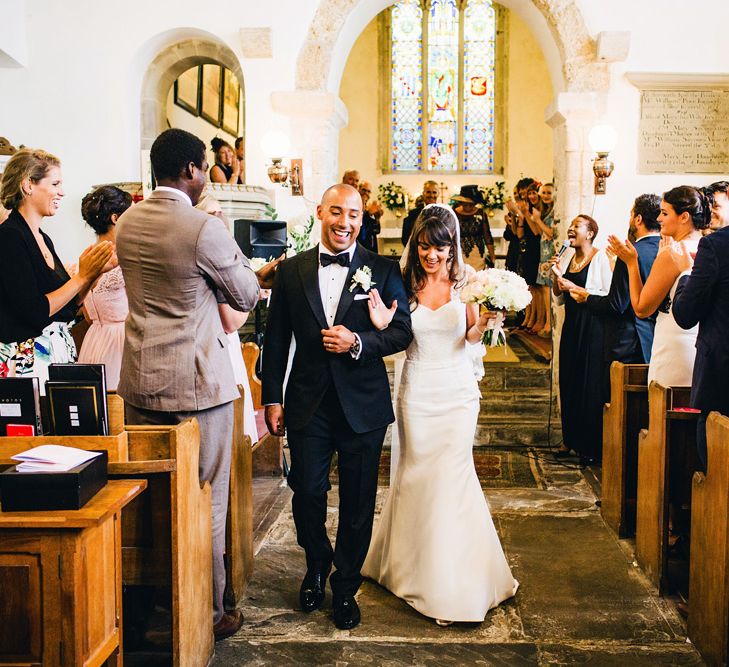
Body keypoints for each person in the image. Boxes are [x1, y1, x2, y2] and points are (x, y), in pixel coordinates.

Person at [115, 128, 261, 641]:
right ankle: (210, 611)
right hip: (199, 388)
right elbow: (245, 294)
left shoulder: (127, 223)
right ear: (191, 171)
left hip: (138, 382)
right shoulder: (202, 226)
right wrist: (229, 241)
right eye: (202, 169)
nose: (204, 177)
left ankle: (155, 602)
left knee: (154, 499)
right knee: (207, 499)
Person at [261, 183, 412, 630]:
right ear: (321, 213)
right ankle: (316, 565)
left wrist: (359, 341)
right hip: (307, 404)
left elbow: (401, 332)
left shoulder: (382, 270)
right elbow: (276, 341)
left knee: (358, 501)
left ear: (362, 219)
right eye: (336, 212)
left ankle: (345, 587)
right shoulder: (293, 271)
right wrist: (273, 397)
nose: (344, 222)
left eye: (353, 214)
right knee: (307, 492)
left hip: (362, 406)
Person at [362, 204, 518, 625]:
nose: (432, 256)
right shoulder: (404, 283)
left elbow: (468, 336)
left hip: (456, 394)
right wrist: (379, 324)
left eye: (440, 248)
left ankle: (454, 582)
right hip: (417, 393)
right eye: (426, 247)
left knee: (453, 476)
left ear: (453, 248)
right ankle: (410, 568)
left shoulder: (466, 283)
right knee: (416, 477)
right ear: (417, 246)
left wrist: (484, 321)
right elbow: (396, 337)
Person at [0, 148, 113, 388]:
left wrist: (95, 273)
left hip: (54, 358)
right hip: (25, 367)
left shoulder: (43, 238)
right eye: (55, 183)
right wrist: (81, 277)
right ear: (28, 185)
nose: (62, 192)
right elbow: (34, 311)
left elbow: (66, 310)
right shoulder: (9, 237)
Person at [608, 186, 709, 388]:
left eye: (664, 213)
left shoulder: (671, 254)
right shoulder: (709, 248)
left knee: (662, 410)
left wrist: (631, 263)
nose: (659, 218)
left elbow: (642, 308)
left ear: (684, 217)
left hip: (673, 346)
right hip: (699, 343)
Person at [570, 194, 661, 399]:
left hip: (627, 343)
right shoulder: (668, 251)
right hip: (654, 339)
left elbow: (616, 304)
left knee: (619, 405)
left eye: (631, 214)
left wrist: (587, 298)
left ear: (638, 219)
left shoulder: (630, 253)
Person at [669, 192, 726, 471]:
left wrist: (685, 274)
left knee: (715, 469)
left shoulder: (716, 246)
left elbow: (685, 314)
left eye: (717, 204)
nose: (711, 211)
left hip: (721, 378)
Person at [551, 214, 612, 465]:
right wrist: (556, 276)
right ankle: (570, 438)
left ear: (589, 233)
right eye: (571, 225)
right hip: (573, 325)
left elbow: (606, 294)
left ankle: (588, 444)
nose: (571, 229)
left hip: (592, 326)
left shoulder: (599, 258)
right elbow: (559, 297)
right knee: (569, 378)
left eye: (577, 226)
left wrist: (574, 289)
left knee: (588, 383)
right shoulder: (568, 258)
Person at [76, 186, 133, 390]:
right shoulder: (125, 260)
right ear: (116, 218)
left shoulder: (84, 259)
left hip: (94, 341)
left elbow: (89, 317)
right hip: (122, 344)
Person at [530, 182, 558, 337]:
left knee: (547, 289)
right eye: (544, 193)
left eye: (549, 192)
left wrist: (538, 220)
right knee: (543, 289)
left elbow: (552, 233)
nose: (546, 196)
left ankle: (549, 324)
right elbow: (539, 232)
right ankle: (547, 321)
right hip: (544, 253)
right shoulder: (546, 210)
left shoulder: (555, 212)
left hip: (550, 253)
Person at [451, 184, 495, 270]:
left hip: (477, 254)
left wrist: (492, 256)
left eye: (471, 204)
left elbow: (487, 236)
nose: (468, 207)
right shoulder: (454, 213)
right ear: (461, 202)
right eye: (465, 204)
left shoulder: (481, 213)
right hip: (460, 253)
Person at [401, 180, 439, 246]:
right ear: (423, 193)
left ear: (438, 194)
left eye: (434, 192)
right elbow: (406, 238)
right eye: (428, 192)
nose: (432, 195)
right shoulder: (413, 214)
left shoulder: (442, 213)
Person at [357, 180, 382, 253]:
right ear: (358, 189)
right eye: (364, 190)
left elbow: (377, 230)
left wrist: (376, 218)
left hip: (370, 247)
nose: (366, 193)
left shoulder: (370, 207)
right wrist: (369, 213)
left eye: (368, 191)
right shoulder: (353, 205)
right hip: (358, 245)